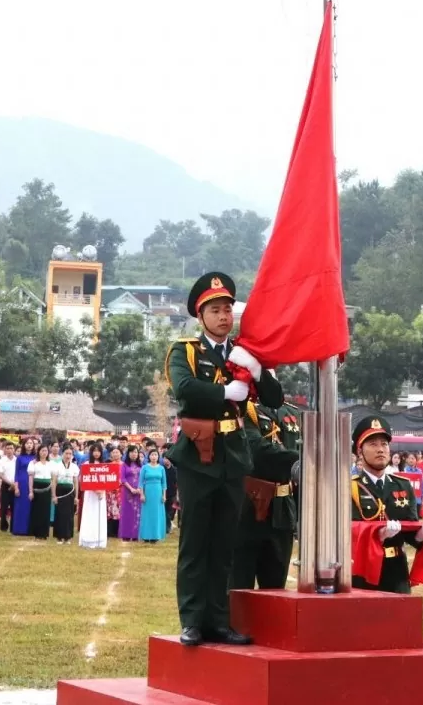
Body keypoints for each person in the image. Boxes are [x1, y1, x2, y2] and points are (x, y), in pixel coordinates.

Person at [165, 271, 283, 647]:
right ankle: (192, 620)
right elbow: (184, 388)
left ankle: (218, 619)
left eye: (228, 309)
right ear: (201, 317)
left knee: (225, 543)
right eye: (215, 310)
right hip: (199, 456)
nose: (223, 316)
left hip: (233, 458)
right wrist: (223, 391)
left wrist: (258, 369)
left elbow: (275, 399)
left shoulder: (242, 354)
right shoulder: (184, 350)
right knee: (195, 541)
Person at [350, 415, 423, 594]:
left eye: (384, 444)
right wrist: (378, 536)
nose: (380, 450)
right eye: (373, 444)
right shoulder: (350, 487)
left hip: (397, 570)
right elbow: (350, 533)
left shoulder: (402, 485)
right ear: (360, 451)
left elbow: (410, 532)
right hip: (365, 572)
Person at [230, 401, 299, 590]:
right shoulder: (241, 407)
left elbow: (302, 471)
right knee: (238, 588)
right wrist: (299, 460)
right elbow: (255, 450)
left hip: (282, 509)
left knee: (276, 589)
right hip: (247, 507)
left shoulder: (292, 412)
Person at [78, 444, 108, 549]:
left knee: (99, 515)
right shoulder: (86, 464)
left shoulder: (104, 465)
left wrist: (102, 491)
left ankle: (99, 540)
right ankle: (88, 539)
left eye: (98, 451)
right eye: (94, 451)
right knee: (89, 514)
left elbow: (108, 480)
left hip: (101, 494)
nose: (96, 453)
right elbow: (82, 479)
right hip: (90, 494)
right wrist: (95, 489)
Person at [138, 448, 168, 543]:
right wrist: (142, 494)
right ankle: (146, 536)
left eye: (155, 455)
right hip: (147, 492)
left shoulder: (161, 468)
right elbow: (141, 483)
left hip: (158, 493)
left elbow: (164, 484)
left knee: (157, 514)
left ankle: (156, 535)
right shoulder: (145, 467)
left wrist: (164, 495)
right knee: (147, 514)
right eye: (152, 455)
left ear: (158, 456)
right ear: (149, 456)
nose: (154, 457)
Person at [52, 447, 79, 543]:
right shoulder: (57, 466)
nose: (68, 456)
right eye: (66, 453)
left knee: (69, 515)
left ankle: (68, 536)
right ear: (62, 454)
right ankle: (59, 536)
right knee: (59, 514)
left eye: (70, 454)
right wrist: (54, 495)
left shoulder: (74, 467)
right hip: (60, 492)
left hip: (70, 493)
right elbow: (54, 481)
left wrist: (76, 496)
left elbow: (76, 482)